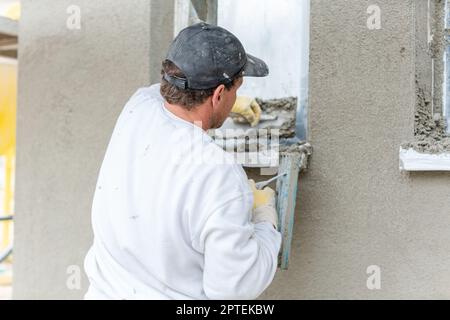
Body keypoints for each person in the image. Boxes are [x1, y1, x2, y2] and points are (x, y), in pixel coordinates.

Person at [84, 22, 281, 300]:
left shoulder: (137, 107)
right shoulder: (218, 172)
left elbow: (162, 90)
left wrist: (227, 101)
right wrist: (265, 224)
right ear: (218, 95)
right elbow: (232, 290)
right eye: (236, 89)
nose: (236, 96)